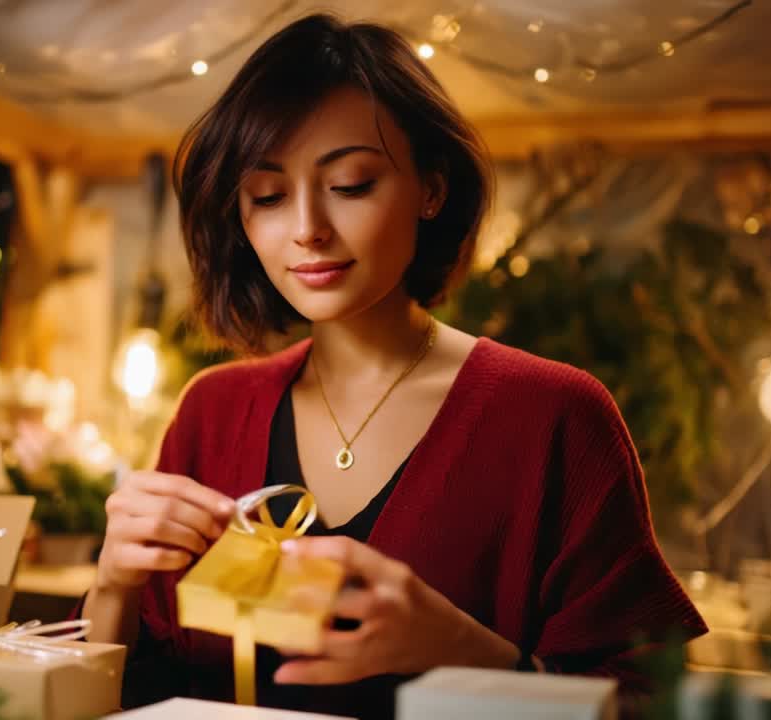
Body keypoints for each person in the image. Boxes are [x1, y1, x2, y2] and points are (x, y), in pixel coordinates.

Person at [81, 13, 706, 719]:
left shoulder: (552, 416)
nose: (308, 228)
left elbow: (661, 702)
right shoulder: (213, 411)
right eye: (267, 196)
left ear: (431, 189)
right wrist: (112, 589)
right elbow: (137, 695)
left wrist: (469, 653)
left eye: (350, 184)